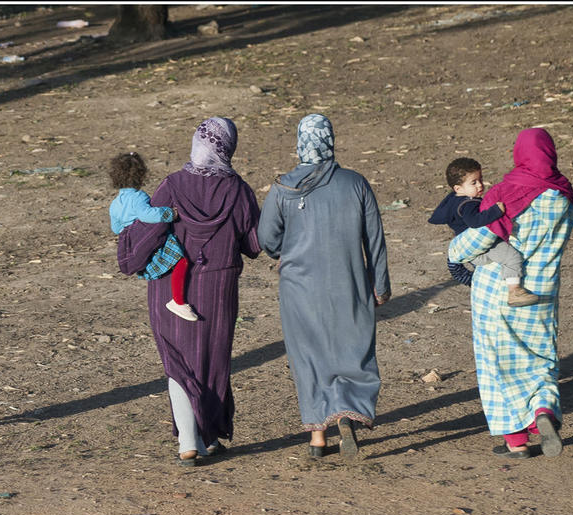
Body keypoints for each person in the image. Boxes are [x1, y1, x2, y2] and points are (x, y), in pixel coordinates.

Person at [116, 117, 261, 466]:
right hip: (219, 287)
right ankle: (205, 435)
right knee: (211, 362)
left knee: (178, 363)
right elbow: (254, 244)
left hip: (169, 286)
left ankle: (189, 442)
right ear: (227, 147)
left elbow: (149, 231)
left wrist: (127, 252)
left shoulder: (172, 185)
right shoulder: (239, 190)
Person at [257, 113, 391, 459]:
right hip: (350, 281)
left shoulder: (283, 187)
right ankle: (347, 412)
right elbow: (374, 239)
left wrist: (285, 249)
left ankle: (318, 436)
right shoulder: (355, 182)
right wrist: (380, 286)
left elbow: (266, 239)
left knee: (308, 356)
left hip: (299, 288)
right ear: (331, 140)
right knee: (352, 350)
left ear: (300, 142)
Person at [448, 128, 573, 459]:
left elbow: (476, 240)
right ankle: (542, 412)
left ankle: (516, 443)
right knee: (540, 361)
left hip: (495, 294)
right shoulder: (563, 195)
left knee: (496, 366)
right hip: (541, 292)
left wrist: (454, 249)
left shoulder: (508, 192)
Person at [429, 157, 539, 307]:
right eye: (473, 183)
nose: (480, 185)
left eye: (480, 179)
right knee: (513, 257)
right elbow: (475, 221)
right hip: (482, 251)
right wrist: (496, 211)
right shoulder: (467, 204)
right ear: (458, 189)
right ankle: (515, 292)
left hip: (471, 252)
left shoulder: (453, 200)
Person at [109, 151, 198, 321]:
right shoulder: (138, 197)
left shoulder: (114, 204)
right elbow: (147, 215)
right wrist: (170, 213)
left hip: (131, 242)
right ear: (141, 175)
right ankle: (178, 301)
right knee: (181, 260)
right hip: (146, 237)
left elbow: (116, 228)